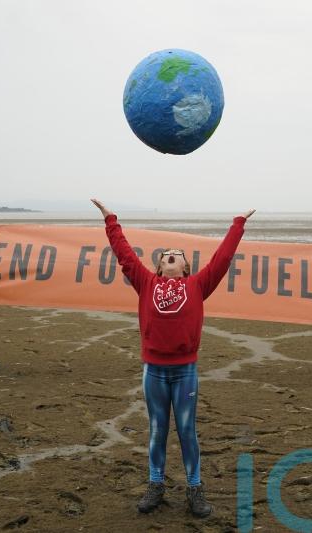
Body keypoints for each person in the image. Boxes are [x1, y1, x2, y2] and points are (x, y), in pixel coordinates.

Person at [91, 198, 254, 518]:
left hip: (184, 372)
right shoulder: (145, 281)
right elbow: (124, 254)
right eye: (166, 255)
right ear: (159, 265)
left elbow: (222, 259)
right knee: (157, 430)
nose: (171, 255)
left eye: (177, 255)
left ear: (185, 267)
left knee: (186, 430)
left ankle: (195, 490)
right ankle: (155, 486)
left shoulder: (198, 285)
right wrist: (110, 219)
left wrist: (238, 224)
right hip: (154, 371)